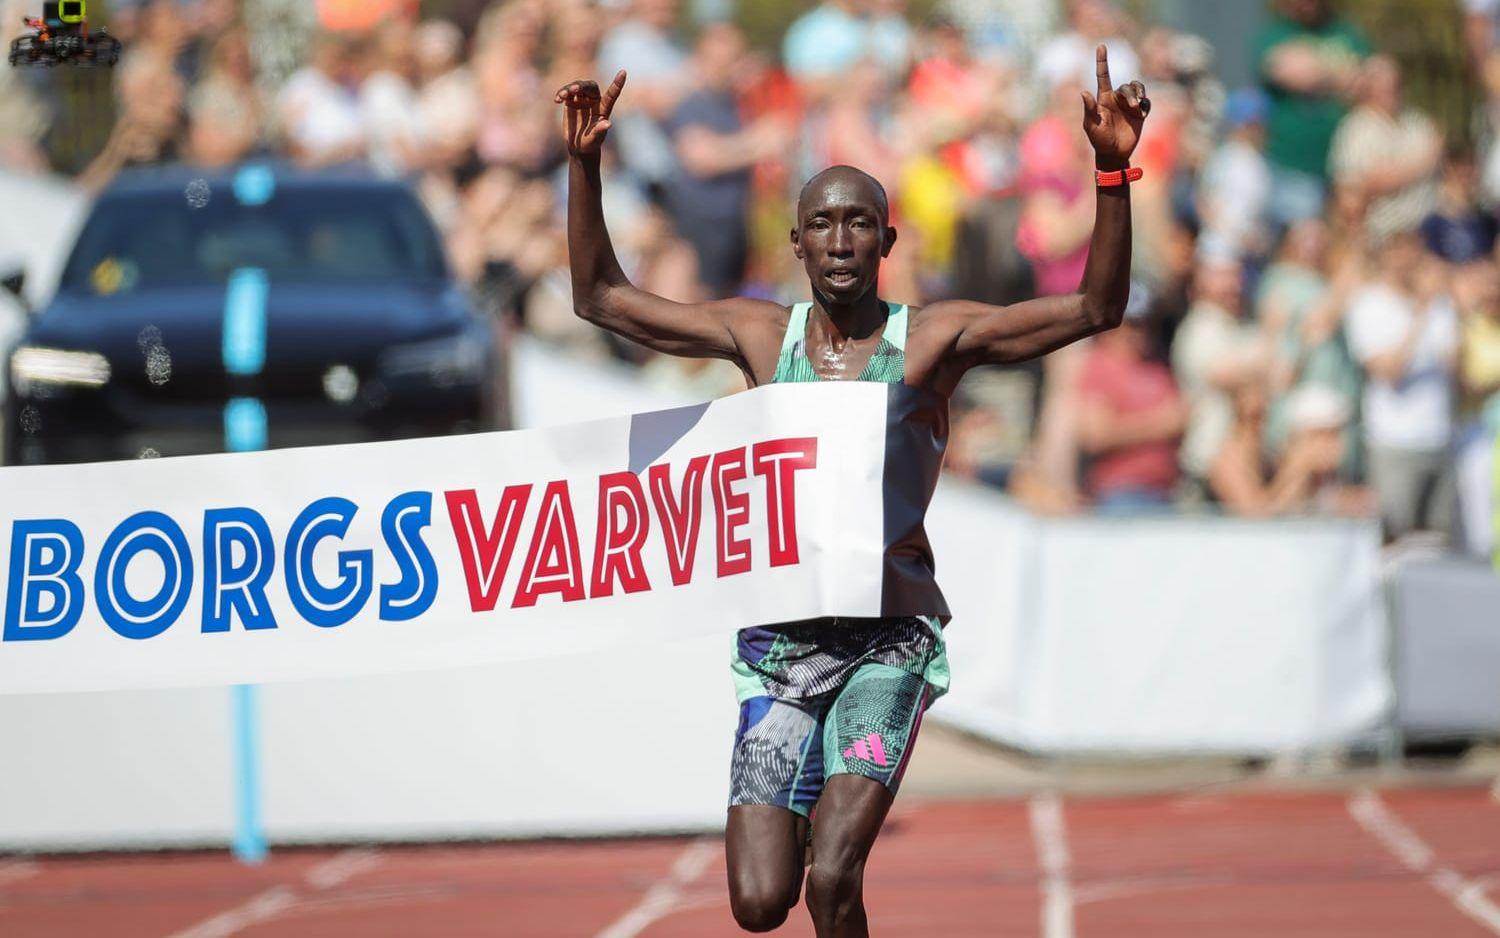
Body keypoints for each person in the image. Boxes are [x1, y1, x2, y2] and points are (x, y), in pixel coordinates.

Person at [555, 46, 1148, 936]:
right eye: (823, 225)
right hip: (781, 651)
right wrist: (584, 163)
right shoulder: (761, 336)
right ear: (795, 242)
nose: (840, 241)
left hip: (887, 643)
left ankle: (838, 876)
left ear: (888, 239)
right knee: (760, 904)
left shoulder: (931, 342)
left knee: (833, 873)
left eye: (859, 224)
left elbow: (1094, 310)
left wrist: (1111, 172)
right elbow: (601, 296)